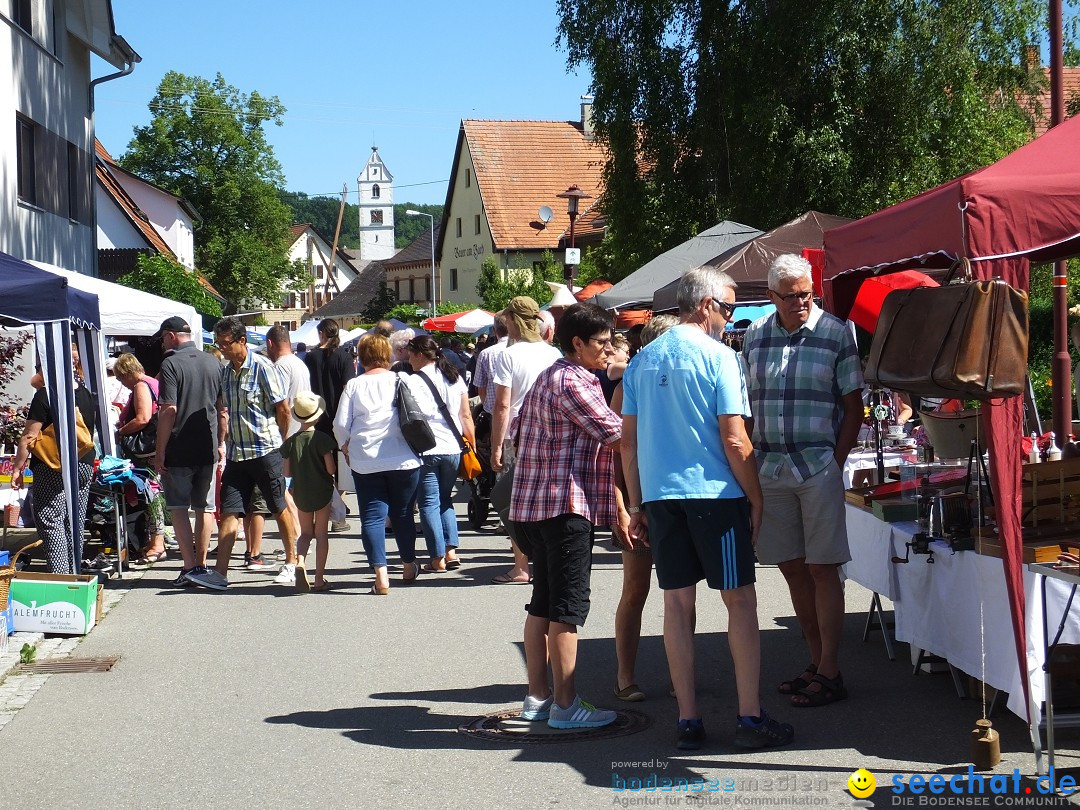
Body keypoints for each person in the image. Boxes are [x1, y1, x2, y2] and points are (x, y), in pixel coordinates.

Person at [622, 266, 794, 751]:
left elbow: (628, 444)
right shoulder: (720, 357)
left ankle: (688, 719)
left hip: (661, 494)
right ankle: (749, 715)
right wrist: (756, 496)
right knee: (739, 600)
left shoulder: (641, 360)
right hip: (714, 494)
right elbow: (735, 438)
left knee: (677, 604)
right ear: (705, 305)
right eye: (729, 308)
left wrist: (637, 502)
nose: (730, 318)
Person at [742, 253, 863, 709]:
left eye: (806, 294)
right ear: (771, 296)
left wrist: (837, 458)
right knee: (792, 567)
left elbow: (854, 405)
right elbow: (747, 406)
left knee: (822, 567)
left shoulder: (836, 332)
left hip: (816, 466)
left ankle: (830, 668)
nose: (800, 302)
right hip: (771, 468)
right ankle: (817, 663)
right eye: (790, 296)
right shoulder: (755, 335)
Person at [511, 303, 622, 729]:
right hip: (563, 506)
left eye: (610, 341)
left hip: (531, 505)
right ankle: (565, 704)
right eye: (601, 342)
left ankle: (538, 697)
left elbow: (519, 431)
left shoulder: (548, 376)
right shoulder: (575, 381)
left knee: (543, 603)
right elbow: (616, 434)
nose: (608, 349)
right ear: (577, 343)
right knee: (567, 609)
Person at [609, 314, 679, 702]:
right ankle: (624, 675)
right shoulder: (629, 384)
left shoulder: (680, 385)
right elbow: (619, 453)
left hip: (672, 498)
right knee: (636, 589)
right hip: (639, 498)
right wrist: (624, 504)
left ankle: (678, 675)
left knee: (678, 591)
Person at [208, 316, 301, 590]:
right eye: (219, 344)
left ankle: (291, 562)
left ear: (242, 341)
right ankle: (220, 573)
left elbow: (282, 409)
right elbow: (225, 411)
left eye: (227, 344)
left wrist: (281, 443)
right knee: (231, 512)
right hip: (239, 454)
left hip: (265, 450)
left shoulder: (263, 368)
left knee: (277, 506)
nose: (223, 349)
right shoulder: (226, 372)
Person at [333, 334, 423, 595]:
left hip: (366, 459)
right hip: (403, 456)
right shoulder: (401, 379)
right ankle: (408, 565)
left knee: (372, 517)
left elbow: (340, 424)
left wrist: (345, 445)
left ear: (361, 358)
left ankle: (381, 575)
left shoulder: (354, 386)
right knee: (403, 513)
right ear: (389, 355)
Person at [489, 296, 562, 584]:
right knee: (547, 500)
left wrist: (496, 446)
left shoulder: (508, 355)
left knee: (515, 502)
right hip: (551, 435)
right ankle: (546, 560)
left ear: (513, 320)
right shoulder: (554, 354)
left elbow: (502, 405)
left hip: (517, 438)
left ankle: (521, 567)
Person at [154, 317, 228, 589]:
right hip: (206, 445)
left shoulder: (171, 363)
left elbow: (168, 410)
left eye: (163, 338)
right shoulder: (214, 362)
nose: (162, 343)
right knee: (205, 507)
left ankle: (189, 566)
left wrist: (160, 451)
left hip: (179, 445)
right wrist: (220, 443)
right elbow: (223, 411)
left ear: (172, 336)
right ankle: (203, 564)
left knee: (179, 508)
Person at [11, 354, 97, 574]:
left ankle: (61, 576)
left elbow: (29, 437)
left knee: (50, 518)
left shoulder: (45, 395)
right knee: (73, 520)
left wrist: (18, 468)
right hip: (84, 462)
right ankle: (74, 574)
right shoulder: (85, 393)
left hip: (53, 464)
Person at [406, 335, 475, 572]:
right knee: (445, 500)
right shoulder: (454, 377)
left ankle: (436, 558)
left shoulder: (411, 382)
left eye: (410, 353)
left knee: (428, 504)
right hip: (453, 447)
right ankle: (451, 551)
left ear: (419, 355)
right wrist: (471, 446)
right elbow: (466, 416)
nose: (408, 358)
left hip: (427, 448)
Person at [113, 353, 168, 565]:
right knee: (154, 495)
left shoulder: (140, 385)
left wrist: (122, 431)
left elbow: (143, 418)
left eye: (120, 378)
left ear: (127, 373)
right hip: (156, 448)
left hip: (147, 451)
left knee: (151, 496)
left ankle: (157, 544)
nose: (121, 384)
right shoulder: (154, 382)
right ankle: (156, 541)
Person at [303, 319, 356, 533]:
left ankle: (327, 510)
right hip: (338, 417)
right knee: (340, 468)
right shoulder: (344, 356)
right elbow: (347, 388)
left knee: (323, 468)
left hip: (317, 417)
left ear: (322, 333)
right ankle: (338, 515)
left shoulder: (310, 356)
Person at [281, 392, 337, 592]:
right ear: (318, 416)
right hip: (321, 490)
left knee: (305, 533)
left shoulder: (291, 442)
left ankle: (300, 562)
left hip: (301, 493)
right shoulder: (322, 440)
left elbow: (286, 472)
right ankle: (319, 579)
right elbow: (331, 470)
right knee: (321, 534)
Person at [471, 314, 509, 472]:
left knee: (499, 466)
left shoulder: (486, 354)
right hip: (523, 417)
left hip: (495, 416)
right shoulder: (523, 352)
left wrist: (489, 407)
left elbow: (480, 388)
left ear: (495, 330)